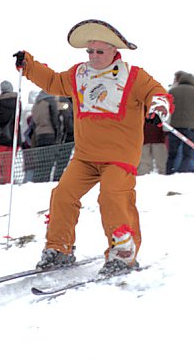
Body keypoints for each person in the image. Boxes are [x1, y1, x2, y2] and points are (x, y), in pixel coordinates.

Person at [14, 18, 171, 276]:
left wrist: (158, 108)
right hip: (86, 156)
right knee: (63, 194)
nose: (94, 57)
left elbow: (157, 93)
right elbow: (53, 81)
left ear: (113, 51)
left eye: (100, 52)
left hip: (119, 157)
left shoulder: (133, 76)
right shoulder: (80, 75)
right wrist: (28, 66)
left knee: (112, 196)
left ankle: (123, 251)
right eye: (90, 51)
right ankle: (59, 248)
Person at [166, 71, 194, 174]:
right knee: (187, 154)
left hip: (174, 127)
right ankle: (182, 173)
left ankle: (169, 172)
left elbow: (166, 108)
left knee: (172, 154)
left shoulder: (172, 91)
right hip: (191, 128)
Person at [30, 90, 60, 182]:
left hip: (39, 134)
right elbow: (54, 119)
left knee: (41, 161)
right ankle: (45, 180)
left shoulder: (36, 105)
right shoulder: (50, 102)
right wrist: (57, 132)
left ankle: (38, 180)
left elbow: (33, 122)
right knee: (49, 161)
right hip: (50, 134)